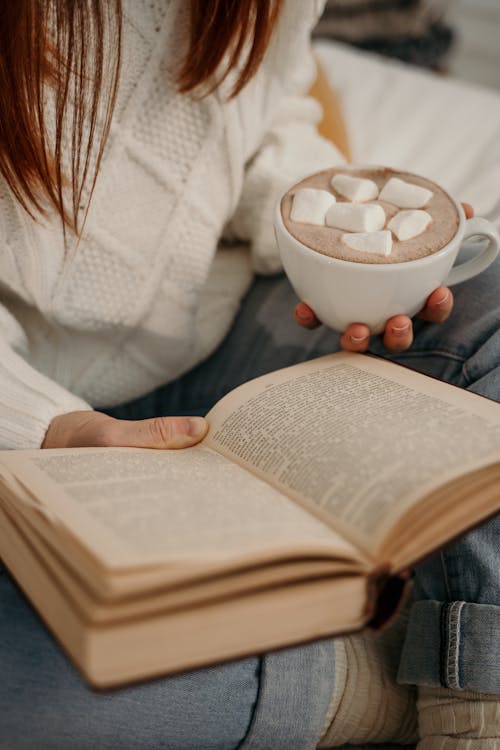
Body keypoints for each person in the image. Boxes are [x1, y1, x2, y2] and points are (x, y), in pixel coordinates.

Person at [0, 1, 498, 748]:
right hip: (31, 401)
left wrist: (320, 232)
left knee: (486, 306)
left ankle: (469, 707)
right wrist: (44, 422)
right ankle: (387, 673)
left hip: (219, 319)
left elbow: (262, 120)